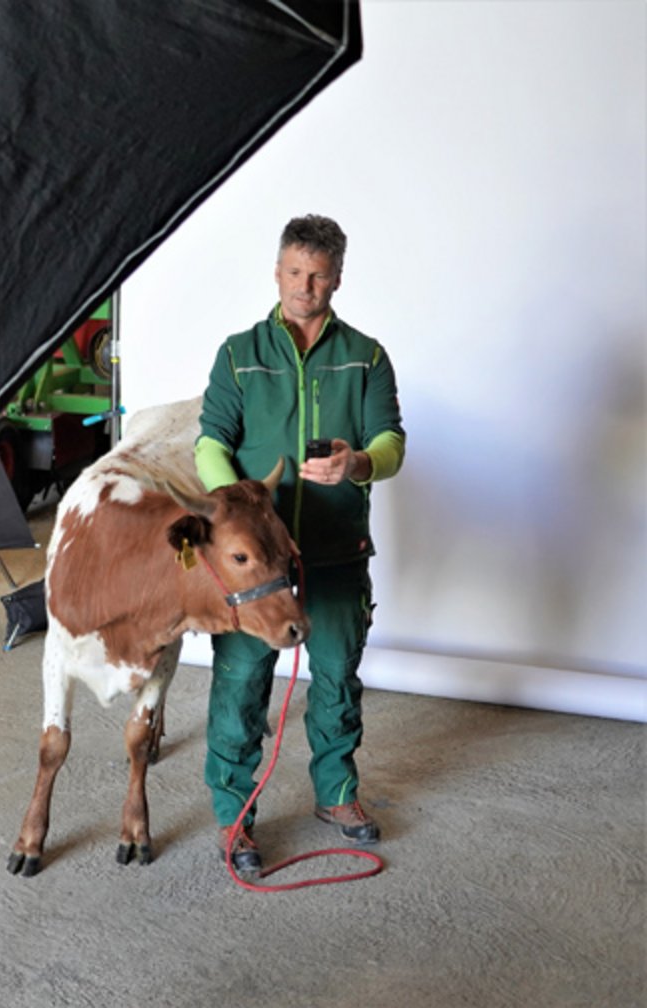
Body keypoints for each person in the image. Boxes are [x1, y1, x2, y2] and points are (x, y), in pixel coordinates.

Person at [193, 214, 405, 877]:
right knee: (240, 684)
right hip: (257, 569)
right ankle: (235, 819)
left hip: (338, 551)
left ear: (336, 278)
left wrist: (357, 464)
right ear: (277, 271)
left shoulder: (365, 355)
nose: (302, 287)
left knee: (338, 679)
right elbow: (209, 443)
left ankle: (337, 795)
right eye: (291, 272)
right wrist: (241, 509)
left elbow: (391, 443)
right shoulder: (238, 353)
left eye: (315, 275)